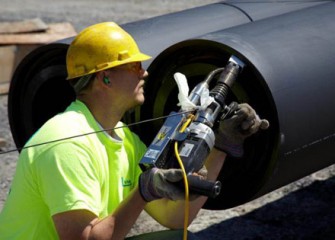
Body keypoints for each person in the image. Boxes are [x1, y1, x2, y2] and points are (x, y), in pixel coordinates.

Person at [0, 22, 269, 239]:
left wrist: (222, 144)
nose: (145, 74)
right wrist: (143, 191)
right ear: (104, 77)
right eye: (134, 66)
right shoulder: (65, 142)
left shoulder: (122, 137)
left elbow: (174, 218)